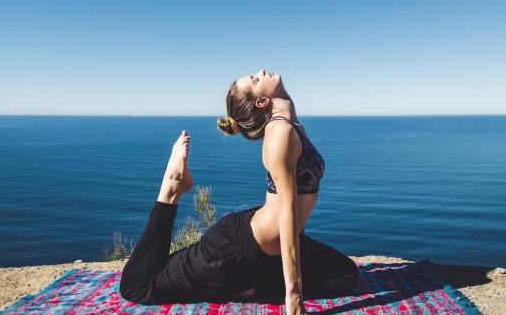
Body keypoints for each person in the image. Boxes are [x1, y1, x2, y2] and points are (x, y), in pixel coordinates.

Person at [119, 70, 359, 314]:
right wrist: (294, 296)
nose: (260, 72)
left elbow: (295, 212)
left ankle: (243, 285)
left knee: (345, 276)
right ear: (262, 102)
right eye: (255, 80)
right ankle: (171, 187)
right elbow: (287, 214)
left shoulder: (291, 125)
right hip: (234, 250)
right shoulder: (280, 133)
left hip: (267, 246)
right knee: (138, 287)